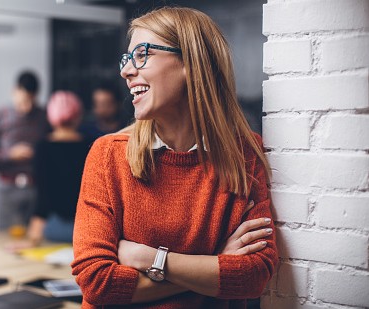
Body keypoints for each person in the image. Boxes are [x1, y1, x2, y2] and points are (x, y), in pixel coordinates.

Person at [71, 7, 278, 308]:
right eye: (127, 59)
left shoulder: (245, 155)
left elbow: (254, 276)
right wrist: (215, 264)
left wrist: (150, 259)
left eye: (141, 54)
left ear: (191, 64)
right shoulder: (108, 155)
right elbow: (97, 282)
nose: (126, 71)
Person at [0, 71, 51, 231]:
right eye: (23, 100)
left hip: (35, 187)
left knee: (35, 238)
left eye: (31, 100)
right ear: (15, 91)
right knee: (3, 236)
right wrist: (10, 155)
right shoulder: (0, 115)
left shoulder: (43, 116)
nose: (27, 107)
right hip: (7, 187)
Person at [23, 91, 91, 247]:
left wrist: (33, 235)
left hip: (53, 227)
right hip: (86, 227)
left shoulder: (43, 147)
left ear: (51, 116)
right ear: (78, 115)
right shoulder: (91, 145)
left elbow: (43, 195)